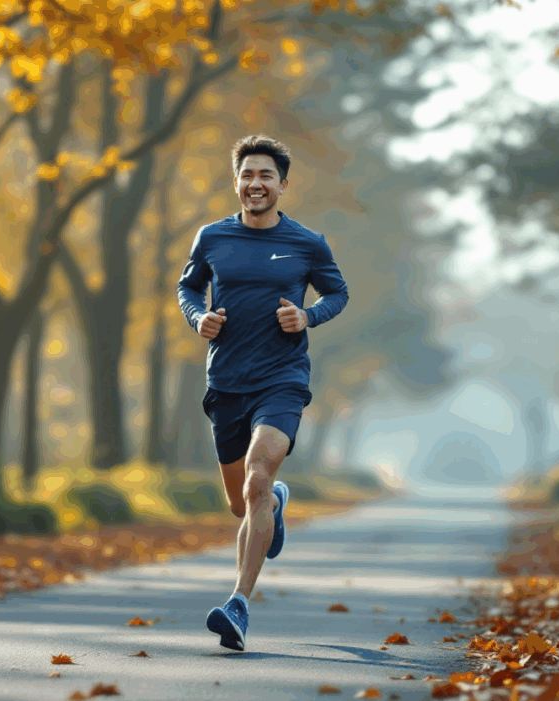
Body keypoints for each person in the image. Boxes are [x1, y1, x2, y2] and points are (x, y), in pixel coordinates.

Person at [176, 134, 349, 651]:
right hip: (226, 380)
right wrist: (197, 316)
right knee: (241, 504)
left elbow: (337, 292)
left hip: (282, 380)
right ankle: (272, 501)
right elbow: (188, 288)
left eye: (266, 176)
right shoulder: (211, 238)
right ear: (236, 182)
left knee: (255, 475)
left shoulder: (307, 243)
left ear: (283, 185)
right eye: (248, 175)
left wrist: (308, 316)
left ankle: (238, 604)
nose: (256, 184)